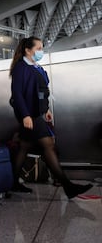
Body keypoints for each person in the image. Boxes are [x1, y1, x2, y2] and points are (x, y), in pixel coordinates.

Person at [9, 36, 92, 199]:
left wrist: (45, 109)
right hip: (29, 114)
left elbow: (41, 91)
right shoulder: (21, 68)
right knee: (48, 144)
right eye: (38, 48)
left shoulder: (36, 67)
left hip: (36, 113)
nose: (41, 51)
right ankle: (68, 186)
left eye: (42, 48)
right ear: (28, 50)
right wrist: (26, 115)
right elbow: (17, 93)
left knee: (24, 146)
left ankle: (13, 183)